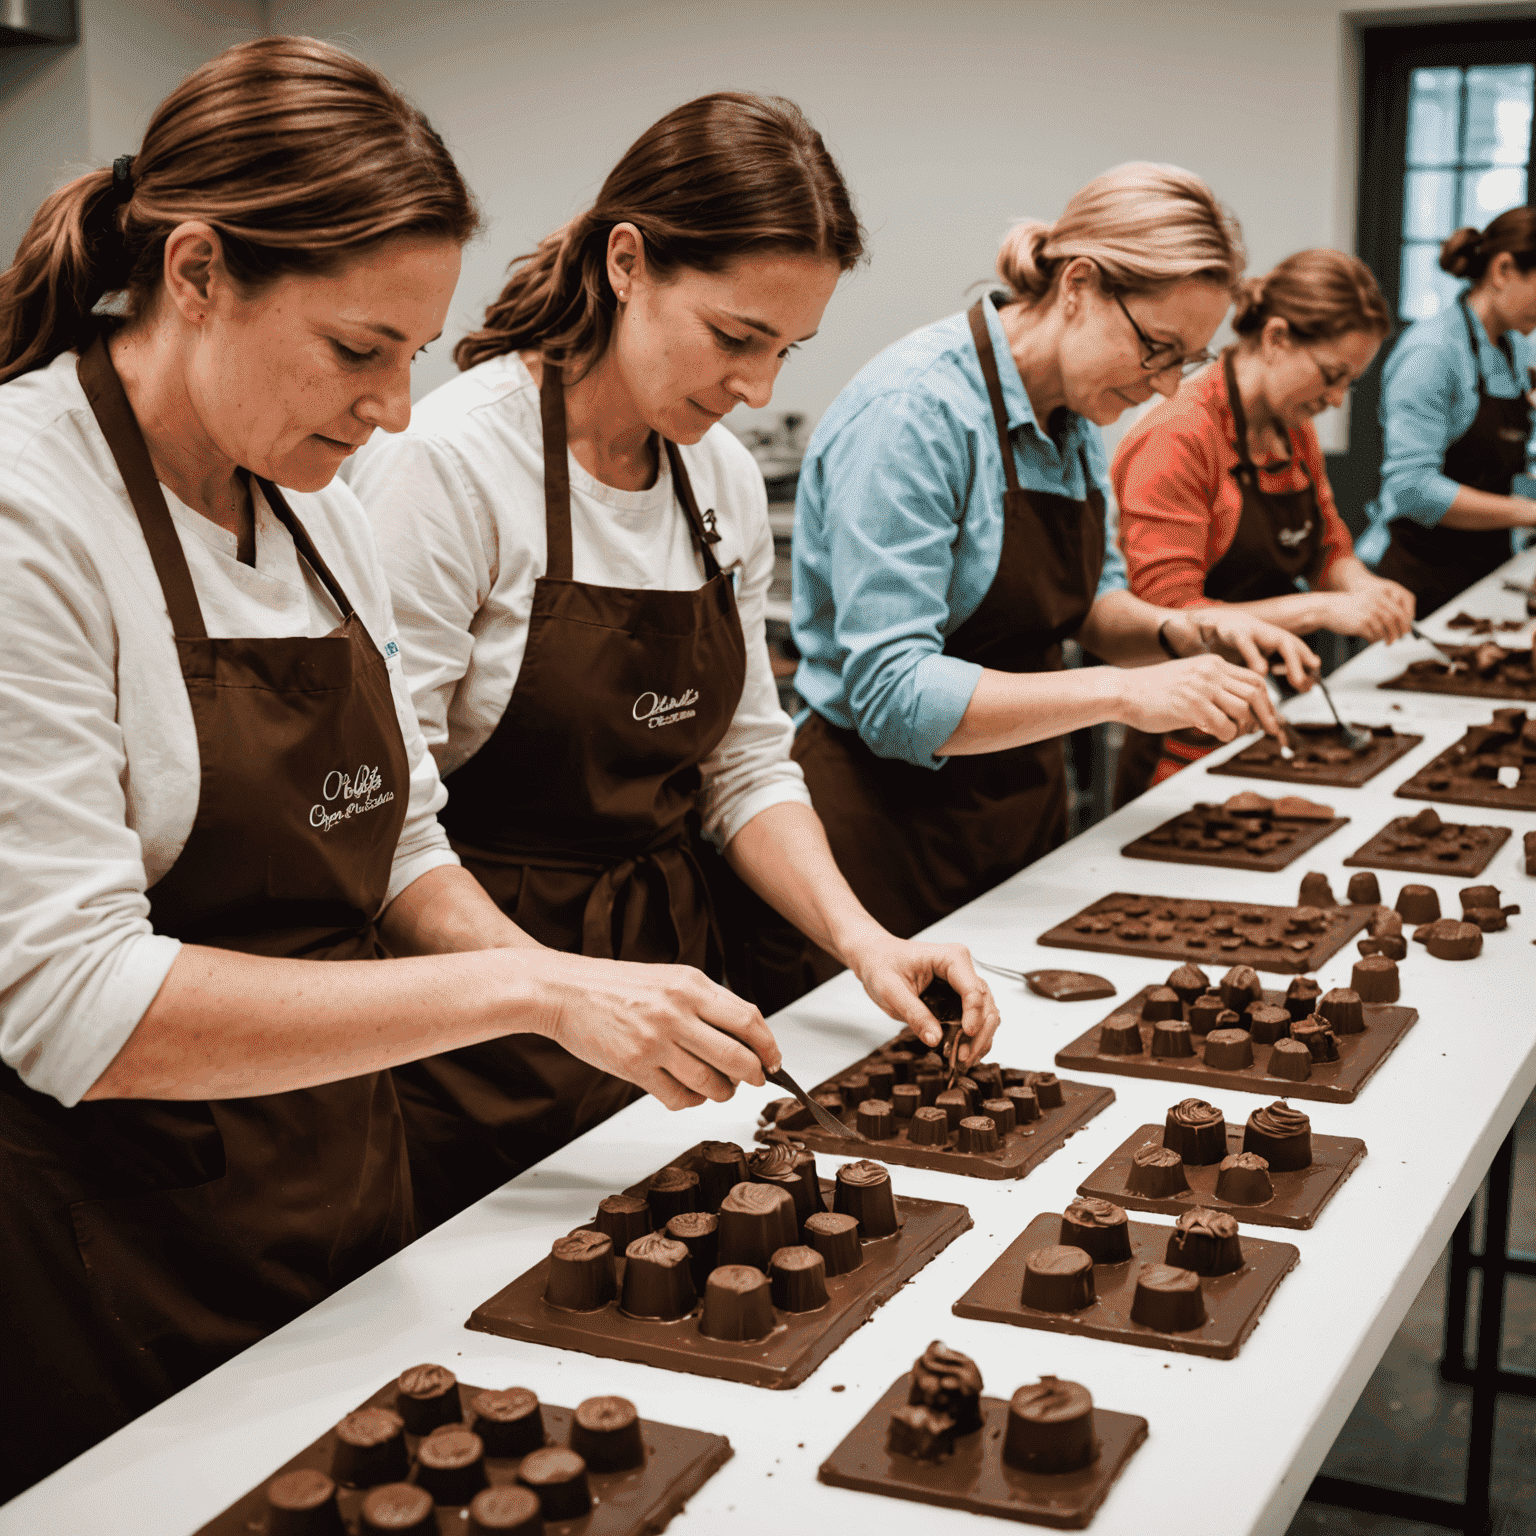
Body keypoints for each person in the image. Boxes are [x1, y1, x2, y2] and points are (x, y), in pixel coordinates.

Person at [0, 41, 789, 1496]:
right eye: (359, 349)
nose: (398, 410)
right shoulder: (30, 514)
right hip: (122, 1243)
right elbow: (72, 1003)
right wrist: (533, 985)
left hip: (343, 1182)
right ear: (193, 274)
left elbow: (405, 841)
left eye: (418, 354)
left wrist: (580, 1002)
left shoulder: (311, 505)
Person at [351, 93, 998, 1232]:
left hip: (672, 981)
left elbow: (747, 764)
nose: (758, 389)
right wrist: (559, 996)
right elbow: (388, 827)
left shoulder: (720, 480)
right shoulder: (450, 468)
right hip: (482, 1003)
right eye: (735, 338)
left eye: (785, 351)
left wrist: (863, 944)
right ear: (628, 262)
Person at [783, 163, 1317, 969]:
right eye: (1157, 349)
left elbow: (1092, 604)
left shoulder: (1067, 416)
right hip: (884, 835)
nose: (1165, 385)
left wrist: (1190, 636)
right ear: (1079, 285)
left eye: (1189, 362)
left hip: (1016, 813)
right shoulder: (916, 413)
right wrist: (1124, 692)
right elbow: (893, 697)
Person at [1112, 248, 1411, 803]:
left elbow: (1328, 548)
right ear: (1276, 338)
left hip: (1267, 714)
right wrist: (1319, 609)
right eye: (1331, 375)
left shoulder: (1289, 426)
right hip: (1183, 736)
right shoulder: (1178, 439)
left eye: (1350, 383)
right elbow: (1165, 617)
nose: (1337, 399)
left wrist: (1364, 587)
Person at [1362, 207, 1536, 617]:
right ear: (1504, 270)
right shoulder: (1434, 352)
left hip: (1484, 571)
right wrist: (1529, 513)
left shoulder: (1515, 350)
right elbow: (1411, 487)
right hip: (1416, 581)